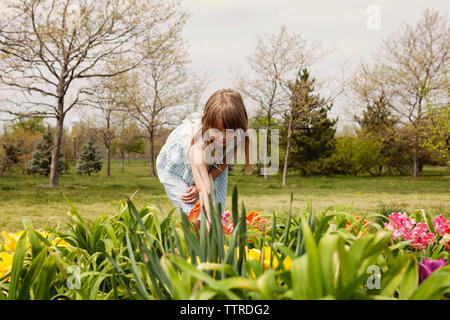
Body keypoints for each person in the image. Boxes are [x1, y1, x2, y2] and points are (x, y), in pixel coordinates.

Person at [156, 89, 252, 227]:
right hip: (175, 171)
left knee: (217, 216)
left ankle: (215, 242)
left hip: (211, 166)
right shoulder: (196, 144)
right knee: (196, 218)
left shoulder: (235, 136)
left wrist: (211, 215)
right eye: (217, 130)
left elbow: (224, 162)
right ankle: (198, 245)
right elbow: (205, 188)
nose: (223, 137)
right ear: (206, 123)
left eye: (229, 132)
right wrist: (206, 215)